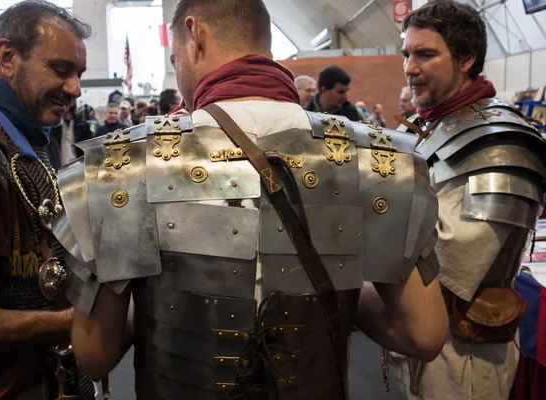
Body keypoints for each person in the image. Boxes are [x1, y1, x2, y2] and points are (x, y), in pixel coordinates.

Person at [59, 0, 448, 398]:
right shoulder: (378, 160)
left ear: (195, 36)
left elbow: (94, 354)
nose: (179, 75)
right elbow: (425, 334)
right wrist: (343, 289)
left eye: (175, 59)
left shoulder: (120, 166)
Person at [390, 1, 546, 399]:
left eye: (425, 54)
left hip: (465, 357)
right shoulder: (439, 126)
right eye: (406, 54)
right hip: (419, 335)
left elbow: (449, 267)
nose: (409, 67)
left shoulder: (502, 146)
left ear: (467, 58)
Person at [0, 1, 95, 399]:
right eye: (61, 70)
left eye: (79, 75)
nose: (75, 90)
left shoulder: (18, 136)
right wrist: (69, 322)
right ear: (7, 57)